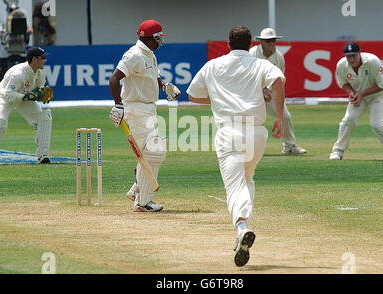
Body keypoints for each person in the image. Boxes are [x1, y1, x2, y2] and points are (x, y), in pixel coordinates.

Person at [187, 26, 286, 267]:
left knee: (234, 186)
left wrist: (219, 98)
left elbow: (192, 95)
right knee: (247, 179)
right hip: (256, 133)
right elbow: (279, 82)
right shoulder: (260, 63)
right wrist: (280, 118)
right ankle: (241, 230)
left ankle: (242, 227)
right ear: (251, 42)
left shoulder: (213, 65)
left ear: (228, 43)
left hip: (229, 132)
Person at [109, 19, 180, 212]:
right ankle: (142, 202)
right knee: (154, 151)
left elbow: (154, 77)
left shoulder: (149, 54)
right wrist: (118, 105)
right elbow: (114, 78)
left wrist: (166, 87)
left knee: (149, 153)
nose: (161, 42)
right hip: (136, 109)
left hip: (148, 109)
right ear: (152, 38)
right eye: (159, 38)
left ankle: (137, 190)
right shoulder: (134, 55)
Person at [329, 41, 383, 161]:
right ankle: (338, 151)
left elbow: (382, 85)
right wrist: (352, 93)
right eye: (348, 56)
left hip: (378, 95)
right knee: (349, 119)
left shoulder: (372, 61)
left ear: (359, 53)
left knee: (376, 124)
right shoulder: (342, 65)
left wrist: (361, 93)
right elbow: (343, 83)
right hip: (359, 94)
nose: (351, 59)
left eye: (354, 55)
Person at [0, 47, 54, 166]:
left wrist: (40, 94)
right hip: (6, 97)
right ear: (34, 59)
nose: (45, 60)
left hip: (24, 97)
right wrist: (27, 96)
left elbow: (40, 86)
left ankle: (43, 155)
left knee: (45, 117)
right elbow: (8, 94)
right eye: (43, 58)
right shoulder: (17, 74)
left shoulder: (40, 71)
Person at [249, 28, 306, 155]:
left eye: (273, 40)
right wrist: (261, 90)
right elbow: (248, 76)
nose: (271, 43)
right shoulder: (252, 53)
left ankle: (289, 147)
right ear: (261, 41)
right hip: (251, 93)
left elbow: (279, 79)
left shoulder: (279, 57)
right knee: (247, 118)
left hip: (269, 92)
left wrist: (268, 90)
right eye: (268, 40)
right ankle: (242, 147)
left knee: (285, 116)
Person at [0, 0, 33, 102]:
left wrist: (28, 30)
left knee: (24, 74)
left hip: (20, 47)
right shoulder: (1, 14)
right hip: (5, 48)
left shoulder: (23, 13)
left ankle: (26, 96)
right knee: (2, 74)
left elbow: (30, 29)